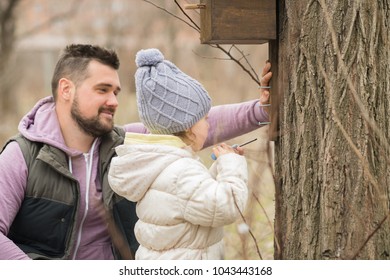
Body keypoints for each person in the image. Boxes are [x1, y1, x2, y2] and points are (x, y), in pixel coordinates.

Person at [0, 44, 272, 260]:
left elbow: (192, 126)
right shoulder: (22, 156)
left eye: (116, 91)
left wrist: (261, 111)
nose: (114, 101)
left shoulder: (125, 146)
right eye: (102, 90)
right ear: (66, 89)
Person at [108, 48, 249, 260]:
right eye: (205, 119)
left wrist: (220, 167)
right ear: (189, 126)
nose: (209, 125)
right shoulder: (181, 171)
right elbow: (226, 206)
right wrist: (232, 165)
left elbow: (190, 200)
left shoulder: (162, 164)